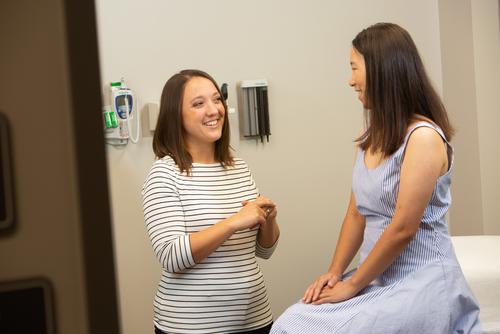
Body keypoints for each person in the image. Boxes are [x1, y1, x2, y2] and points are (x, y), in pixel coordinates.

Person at [271, 23, 481, 333]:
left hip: (421, 283)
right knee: (291, 321)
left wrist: (351, 285)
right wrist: (334, 274)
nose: (350, 80)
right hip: (376, 279)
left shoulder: (422, 138)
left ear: (383, 71)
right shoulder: (371, 135)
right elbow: (356, 214)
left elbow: (403, 228)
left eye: (354, 68)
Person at [142, 69, 280, 334]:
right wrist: (233, 223)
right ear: (176, 116)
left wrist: (268, 221)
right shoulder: (165, 173)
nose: (214, 110)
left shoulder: (238, 167)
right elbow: (172, 256)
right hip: (191, 326)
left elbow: (264, 251)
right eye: (198, 104)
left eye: (217, 100)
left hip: (255, 319)